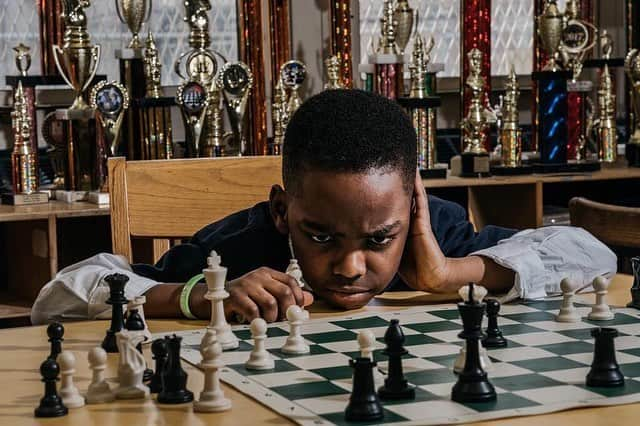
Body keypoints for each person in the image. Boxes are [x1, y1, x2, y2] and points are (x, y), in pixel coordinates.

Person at [31, 90, 616, 325]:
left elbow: (592, 253)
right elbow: (55, 298)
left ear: (412, 205)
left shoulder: (432, 233)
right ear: (282, 211)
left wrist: (448, 273)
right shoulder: (235, 248)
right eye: (321, 236)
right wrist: (192, 294)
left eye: (379, 239)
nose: (351, 267)